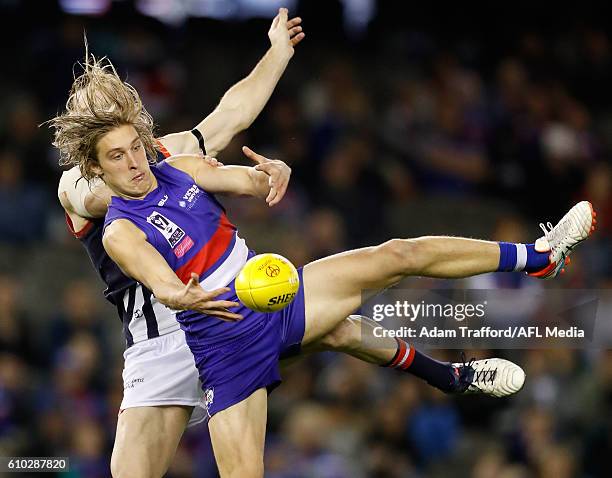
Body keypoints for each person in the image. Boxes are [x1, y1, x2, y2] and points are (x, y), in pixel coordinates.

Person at [48, 59, 596, 476]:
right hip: (189, 341)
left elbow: (235, 131)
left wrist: (271, 163)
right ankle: (450, 377)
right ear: (92, 158)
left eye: (133, 146)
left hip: (255, 298)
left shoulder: (169, 158)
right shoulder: (89, 195)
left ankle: (537, 259)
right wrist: (177, 291)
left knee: (392, 261)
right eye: (114, 155)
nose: (132, 161)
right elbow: (130, 244)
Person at [54, 8, 305, 478]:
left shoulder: (160, 155)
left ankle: (449, 374)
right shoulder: (78, 182)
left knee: (349, 322)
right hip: (160, 344)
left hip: (223, 314)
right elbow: (94, 195)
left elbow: (233, 113)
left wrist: (277, 52)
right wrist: (150, 177)